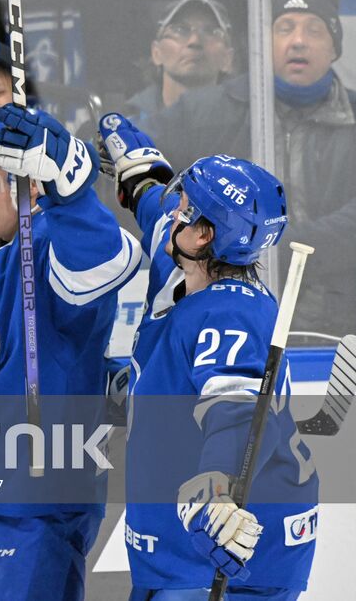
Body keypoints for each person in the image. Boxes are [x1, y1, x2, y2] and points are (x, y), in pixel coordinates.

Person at [96, 113, 319, 600]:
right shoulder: (183, 256)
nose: (172, 208)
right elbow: (152, 205)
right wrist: (139, 171)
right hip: (180, 548)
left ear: (203, 235)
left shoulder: (231, 314)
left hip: (232, 552)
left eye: (184, 204)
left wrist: (217, 490)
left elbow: (235, 412)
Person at [0, 104, 140, 600]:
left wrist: (70, 189)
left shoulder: (53, 243)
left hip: (33, 502)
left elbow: (110, 258)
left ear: (31, 185)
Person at [151, 0, 356, 336]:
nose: (298, 41)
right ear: (265, 43)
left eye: (314, 30)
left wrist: (274, 245)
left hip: (341, 323)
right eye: (285, 28)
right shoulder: (204, 111)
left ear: (335, 47)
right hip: (226, 320)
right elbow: (148, 173)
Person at [125, 0, 234, 127]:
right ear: (156, 53)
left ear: (228, 58)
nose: (194, 41)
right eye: (180, 30)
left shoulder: (251, 129)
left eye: (211, 31)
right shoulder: (123, 133)